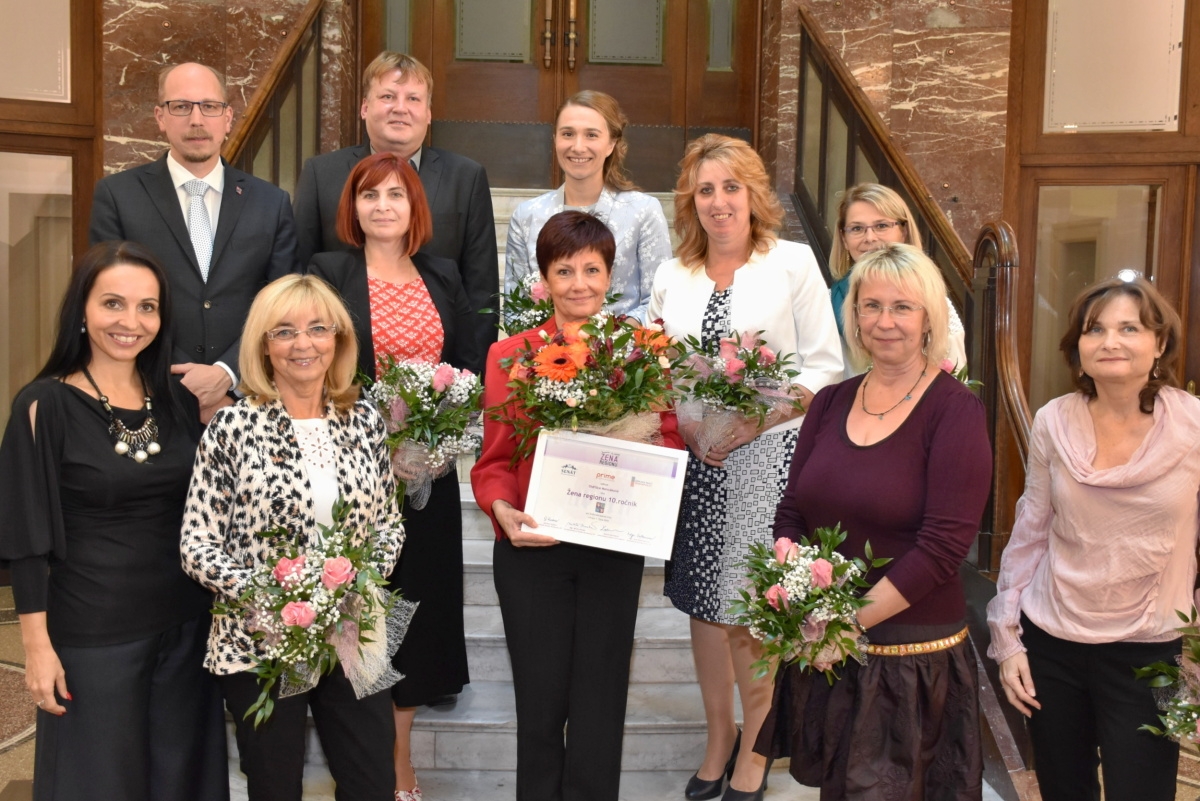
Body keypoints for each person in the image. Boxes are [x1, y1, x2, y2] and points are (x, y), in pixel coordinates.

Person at [649, 134, 843, 801]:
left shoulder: (791, 263)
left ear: (754, 194)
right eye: (705, 189)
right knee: (703, 603)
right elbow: (658, 364)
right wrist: (688, 423)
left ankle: (757, 750)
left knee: (753, 603)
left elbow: (825, 365)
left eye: (731, 187)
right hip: (698, 458)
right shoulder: (673, 273)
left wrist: (757, 420)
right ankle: (718, 737)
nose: (719, 202)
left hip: (769, 456)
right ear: (690, 200)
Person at [759, 243, 992, 799]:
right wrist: (794, 586)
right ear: (855, 316)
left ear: (929, 319)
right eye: (871, 306)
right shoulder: (829, 402)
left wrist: (844, 625)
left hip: (910, 665)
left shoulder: (955, 410)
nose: (885, 322)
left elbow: (943, 548)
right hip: (831, 655)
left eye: (902, 307)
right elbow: (792, 511)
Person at [0, 241, 227, 801]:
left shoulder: (176, 400)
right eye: (113, 303)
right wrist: (37, 649)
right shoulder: (43, 405)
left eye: (147, 307)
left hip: (186, 626)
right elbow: (26, 539)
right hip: (94, 636)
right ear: (82, 308)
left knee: (180, 783)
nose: (131, 321)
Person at [471, 211, 683, 801]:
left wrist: (638, 458)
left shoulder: (642, 353)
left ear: (611, 277)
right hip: (533, 547)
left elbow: (668, 440)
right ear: (543, 279)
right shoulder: (510, 355)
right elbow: (494, 460)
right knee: (539, 707)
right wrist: (502, 511)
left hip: (611, 549)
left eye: (592, 269)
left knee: (600, 705)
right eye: (564, 270)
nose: (579, 283)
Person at [180, 274, 405, 801]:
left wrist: (354, 585)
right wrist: (273, 598)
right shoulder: (232, 426)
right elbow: (196, 543)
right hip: (261, 636)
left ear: (338, 339)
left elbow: (389, 525)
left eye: (317, 329)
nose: (303, 344)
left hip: (352, 628)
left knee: (372, 781)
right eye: (283, 331)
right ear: (263, 345)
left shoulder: (365, 421)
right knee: (275, 785)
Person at [308, 151, 480, 801]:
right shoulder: (327, 272)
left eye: (395, 195)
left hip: (427, 479)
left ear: (415, 207)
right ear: (352, 208)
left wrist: (440, 438)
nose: (383, 206)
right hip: (352, 479)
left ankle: (399, 762)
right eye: (369, 194)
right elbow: (310, 363)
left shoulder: (442, 274)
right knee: (361, 614)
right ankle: (364, 760)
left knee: (418, 617)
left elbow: (466, 368)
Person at [987, 275, 1197, 801]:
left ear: (1160, 343)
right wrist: (1008, 638)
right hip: (1052, 643)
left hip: (1152, 651)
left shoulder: (1194, 426)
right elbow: (1031, 532)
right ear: (1078, 347)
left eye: (1130, 328)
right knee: (1063, 790)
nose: (1110, 341)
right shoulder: (1053, 420)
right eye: (1095, 329)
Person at [89, 62, 297, 422]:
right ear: (160, 117)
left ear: (227, 118)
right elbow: (106, 299)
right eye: (181, 106)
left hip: (243, 403)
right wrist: (182, 377)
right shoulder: (118, 196)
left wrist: (227, 373)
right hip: (146, 395)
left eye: (209, 106)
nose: (196, 120)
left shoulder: (271, 202)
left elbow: (284, 303)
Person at [293, 51, 498, 364]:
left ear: (428, 113)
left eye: (413, 99)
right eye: (387, 96)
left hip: (440, 371)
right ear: (365, 107)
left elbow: (481, 289)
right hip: (342, 367)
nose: (400, 108)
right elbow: (298, 278)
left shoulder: (466, 177)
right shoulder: (322, 174)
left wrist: (472, 380)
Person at [504, 90, 672, 322]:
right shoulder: (527, 216)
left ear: (611, 143)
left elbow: (658, 302)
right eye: (568, 134)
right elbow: (514, 309)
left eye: (591, 135)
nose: (578, 146)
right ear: (555, 139)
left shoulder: (643, 212)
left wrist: (610, 338)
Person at [827, 183, 966, 376]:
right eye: (857, 228)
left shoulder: (932, 298)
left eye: (881, 226)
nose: (870, 238)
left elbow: (956, 374)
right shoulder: (826, 302)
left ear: (904, 231)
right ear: (844, 238)